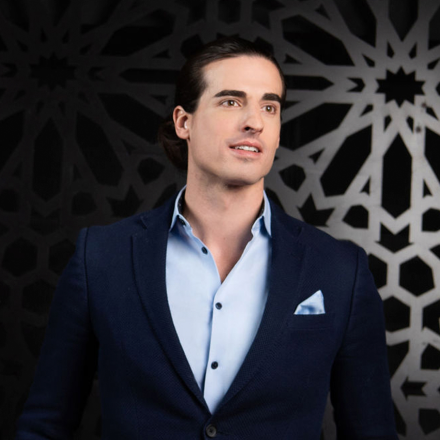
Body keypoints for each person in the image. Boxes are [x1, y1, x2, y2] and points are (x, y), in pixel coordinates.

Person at [16, 37, 398, 440]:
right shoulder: (101, 257)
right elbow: (45, 425)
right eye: (231, 101)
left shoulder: (340, 270)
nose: (254, 122)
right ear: (184, 122)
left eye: (269, 106)